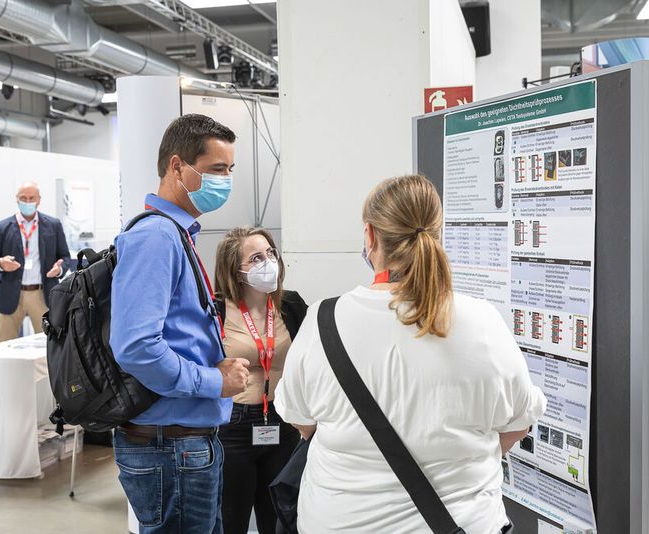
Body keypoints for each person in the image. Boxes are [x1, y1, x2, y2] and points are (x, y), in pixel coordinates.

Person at [275, 175, 547, 533]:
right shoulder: (482, 321)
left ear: (370, 236)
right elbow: (519, 422)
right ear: (437, 234)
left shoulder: (323, 321)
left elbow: (301, 420)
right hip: (462, 524)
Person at [110, 114, 251, 533]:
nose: (225, 181)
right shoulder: (156, 237)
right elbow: (136, 347)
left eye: (230, 170)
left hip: (181, 443)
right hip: (170, 446)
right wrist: (213, 381)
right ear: (177, 166)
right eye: (216, 169)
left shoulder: (175, 233)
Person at [213, 227, 307, 534]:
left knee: (281, 520)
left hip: (283, 421)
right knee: (232, 520)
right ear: (236, 270)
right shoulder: (215, 310)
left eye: (270, 253)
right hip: (233, 426)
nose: (268, 262)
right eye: (255, 258)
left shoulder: (291, 305)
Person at [0, 182, 70, 342]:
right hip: (10, 293)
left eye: (32, 198)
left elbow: (65, 257)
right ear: (17, 199)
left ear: (39, 200)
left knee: (48, 343)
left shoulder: (53, 225)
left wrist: (59, 269)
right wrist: (1, 263)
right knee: (5, 343)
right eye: (23, 198)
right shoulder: (1, 227)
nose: (28, 202)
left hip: (41, 294)